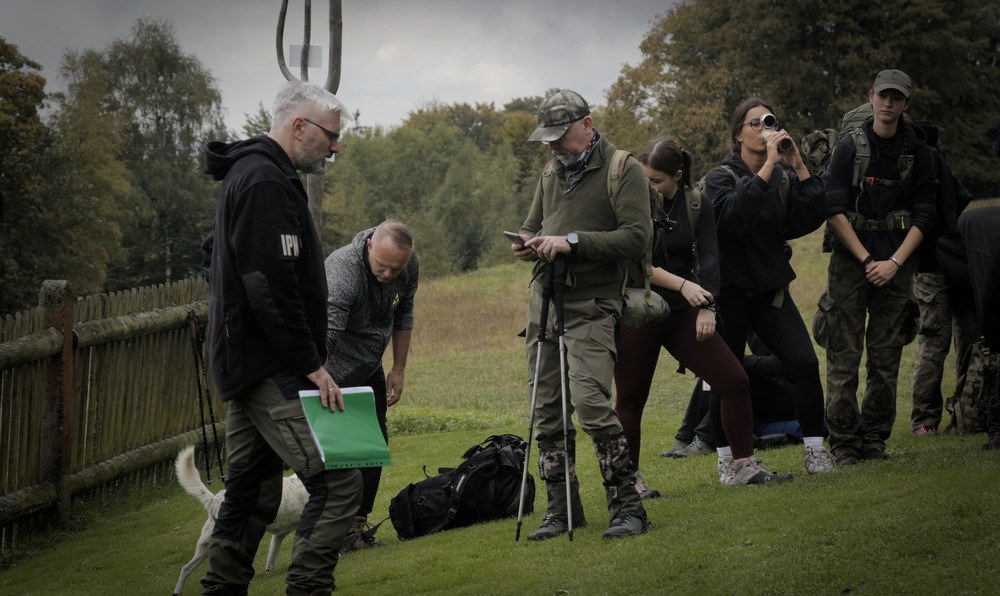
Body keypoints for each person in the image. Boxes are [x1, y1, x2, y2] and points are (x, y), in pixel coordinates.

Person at [200, 81, 361, 596]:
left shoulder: (253, 175)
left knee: (252, 494)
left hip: (249, 364)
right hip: (273, 366)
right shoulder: (264, 181)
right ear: (299, 126)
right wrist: (310, 363)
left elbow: (219, 253)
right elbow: (267, 284)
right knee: (339, 482)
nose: (335, 147)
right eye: (330, 136)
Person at [613, 137, 793, 497]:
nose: (649, 186)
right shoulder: (631, 203)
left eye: (656, 180)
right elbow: (635, 264)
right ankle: (627, 482)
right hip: (639, 311)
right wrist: (683, 286)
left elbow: (711, 258)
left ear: (678, 176)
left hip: (683, 311)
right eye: (644, 178)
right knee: (631, 398)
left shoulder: (697, 203)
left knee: (734, 380)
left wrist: (708, 308)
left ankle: (742, 467)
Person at [511, 89, 651, 540]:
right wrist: (526, 243)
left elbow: (636, 237)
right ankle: (561, 510)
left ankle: (628, 507)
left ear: (587, 125)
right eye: (547, 137)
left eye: (560, 134)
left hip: (593, 304)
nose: (552, 145)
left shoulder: (623, 169)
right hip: (545, 303)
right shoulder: (550, 171)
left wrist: (573, 242)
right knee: (546, 410)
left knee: (591, 404)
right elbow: (534, 225)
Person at [701, 97, 836, 477]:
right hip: (729, 294)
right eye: (755, 124)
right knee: (726, 376)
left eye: (769, 123)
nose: (764, 130)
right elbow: (731, 219)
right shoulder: (720, 178)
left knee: (804, 364)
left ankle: (815, 451)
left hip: (769, 292)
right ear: (737, 135)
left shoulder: (782, 178)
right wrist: (769, 168)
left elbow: (809, 217)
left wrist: (799, 166)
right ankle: (727, 460)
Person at [821, 69, 937, 464]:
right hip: (851, 262)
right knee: (843, 355)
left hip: (897, 264)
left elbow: (925, 214)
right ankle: (843, 443)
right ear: (871, 97)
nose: (888, 103)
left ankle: (874, 439)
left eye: (896, 97)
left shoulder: (919, 152)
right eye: (882, 95)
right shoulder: (848, 148)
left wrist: (894, 262)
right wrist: (868, 259)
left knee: (886, 358)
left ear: (906, 103)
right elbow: (833, 209)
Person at [324, 219, 418, 552]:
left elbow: (404, 313)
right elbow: (326, 334)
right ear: (369, 246)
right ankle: (327, 533)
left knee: (373, 446)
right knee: (337, 455)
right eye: (383, 265)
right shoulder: (343, 271)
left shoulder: (406, 265)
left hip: (369, 367)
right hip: (331, 372)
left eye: (396, 268)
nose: (389, 274)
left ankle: (354, 528)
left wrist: (398, 369)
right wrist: (319, 379)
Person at [936, 206, 1000, 450]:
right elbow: (986, 293)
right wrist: (992, 333)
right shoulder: (989, 252)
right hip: (939, 259)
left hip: (972, 257)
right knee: (936, 339)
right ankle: (994, 429)